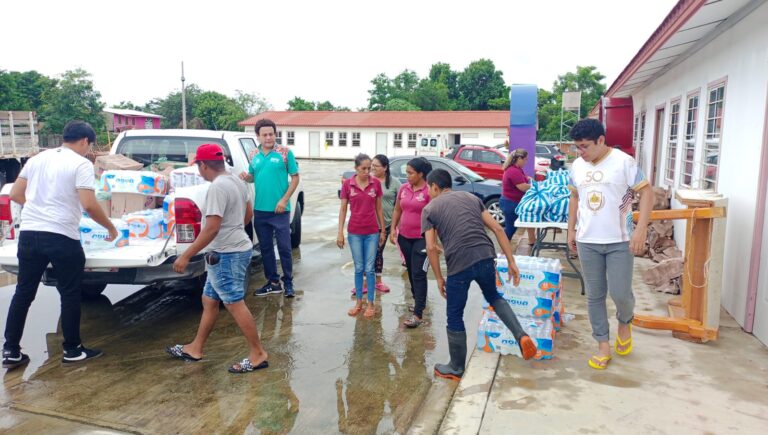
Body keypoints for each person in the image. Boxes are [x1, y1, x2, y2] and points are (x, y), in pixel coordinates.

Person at [2, 120, 118, 370]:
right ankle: (73, 350)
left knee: (23, 292)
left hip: (30, 234)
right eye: (90, 145)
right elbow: (88, 204)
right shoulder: (81, 164)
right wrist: (109, 227)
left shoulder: (36, 159)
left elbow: (15, 195)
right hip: (61, 236)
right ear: (85, 141)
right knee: (70, 293)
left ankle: (11, 350)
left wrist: (38, 208)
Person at [422, 169, 537, 381]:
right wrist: (511, 261)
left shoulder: (430, 208)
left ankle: (456, 368)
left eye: (428, 188)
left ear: (435, 187)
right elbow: (498, 229)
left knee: (454, 315)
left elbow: (430, 247)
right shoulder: (471, 198)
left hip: (459, 265)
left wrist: (439, 278)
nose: (428, 193)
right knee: (494, 297)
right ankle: (521, 336)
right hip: (485, 256)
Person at [168, 143, 269, 374]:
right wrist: (233, 230)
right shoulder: (236, 180)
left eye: (198, 166)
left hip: (226, 254)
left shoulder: (217, 188)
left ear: (203, 165)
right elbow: (248, 213)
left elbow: (211, 228)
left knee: (233, 303)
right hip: (233, 248)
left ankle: (258, 353)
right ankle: (195, 347)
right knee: (210, 301)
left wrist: (186, 255)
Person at [566, 118, 652, 370]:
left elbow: (646, 192)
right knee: (595, 295)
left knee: (620, 293)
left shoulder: (624, 162)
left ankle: (625, 322)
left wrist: (641, 230)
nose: (580, 152)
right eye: (577, 148)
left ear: (601, 141)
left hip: (620, 240)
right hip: (587, 240)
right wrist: (571, 229)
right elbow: (574, 197)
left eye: (584, 147)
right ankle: (603, 344)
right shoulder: (577, 166)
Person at [239, 118, 300, 298]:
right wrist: (246, 176)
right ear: (257, 136)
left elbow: (295, 178)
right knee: (265, 248)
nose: (268, 137)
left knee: (284, 248)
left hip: (280, 210)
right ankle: (273, 282)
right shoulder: (253, 154)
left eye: (271, 134)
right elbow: (253, 176)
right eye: (264, 135)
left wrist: (284, 200)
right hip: (260, 210)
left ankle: (288, 282)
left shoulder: (284, 153)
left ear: (275, 134)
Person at [337, 154, 386, 319]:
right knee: (359, 268)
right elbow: (343, 209)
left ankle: (371, 303)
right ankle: (359, 302)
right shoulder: (348, 185)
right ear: (356, 168)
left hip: (372, 232)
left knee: (370, 269)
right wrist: (340, 233)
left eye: (369, 168)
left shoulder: (376, 184)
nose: (367, 171)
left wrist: (383, 231)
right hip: (355, 232)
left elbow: (379, 208)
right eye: (363, 168)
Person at [390, 157, 431, 328]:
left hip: (422, 238)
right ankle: (418, 302)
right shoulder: (404, 189)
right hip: (404, 237)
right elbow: (398, 209)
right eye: (406, 172)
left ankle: (418, 315)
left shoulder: (429, 191)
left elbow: (435, 216)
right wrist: (393, 229)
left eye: (410, 173)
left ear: (421, 174)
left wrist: (433, 241)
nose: (407, 176)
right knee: (411, 273)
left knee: (419, 274)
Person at [370, 154, 401, 293]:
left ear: (385, 168)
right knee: (370, 253)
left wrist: (396, 226)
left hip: (385, 224)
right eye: (372, 165)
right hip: (369, 223)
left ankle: (377, 281)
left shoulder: (395, 183)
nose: (372, 168)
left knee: (377, 252)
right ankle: (366, 282)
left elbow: (400, 206)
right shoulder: (369, 180)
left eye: (376, 166)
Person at [500, 148, 536, 248]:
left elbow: (523, 180)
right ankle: (503, 250)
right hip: (510, 203)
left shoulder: (517, 169)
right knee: (510, 229)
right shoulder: (513, 171)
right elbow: (522, 187)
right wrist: (536, 187)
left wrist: (528, 178)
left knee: (529, 219)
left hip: (512, 202)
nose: (526, 162)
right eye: (525, 159)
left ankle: (532, 240)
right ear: (519, 158)